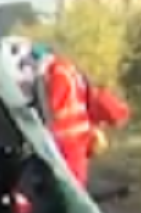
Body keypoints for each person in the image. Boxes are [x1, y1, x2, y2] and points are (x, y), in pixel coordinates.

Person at [27, 42, 131, 188]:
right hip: (74, 142)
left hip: (64, 144)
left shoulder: (56, 74)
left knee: (67, 189)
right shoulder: (70, 71)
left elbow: (48, 109)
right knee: (71, 187)